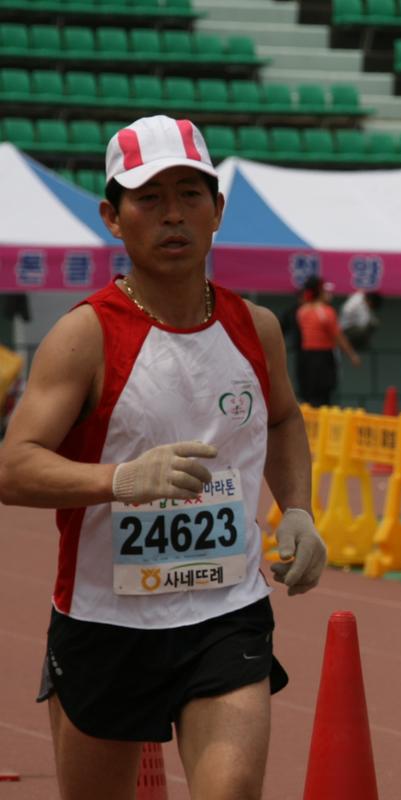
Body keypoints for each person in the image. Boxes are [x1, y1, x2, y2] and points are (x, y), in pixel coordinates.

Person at [0, 115, 327, 800]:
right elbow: (14, 466)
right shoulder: (83, 336)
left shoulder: (255, 327)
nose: (173, 215)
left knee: (230, 790)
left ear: (218, 211)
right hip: (106, 619)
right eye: (149, 198)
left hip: (225, 610)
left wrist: (297, 508)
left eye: (190, 194)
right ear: (112, 218)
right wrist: (120, 480)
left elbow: (285, 417)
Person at [296, 275, 360, 407]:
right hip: (322, 357)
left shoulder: (302, 311)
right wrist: (352, 355)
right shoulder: (326, 312)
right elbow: (338, 337)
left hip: (305, 357)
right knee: (323, 396)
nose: (329, 294)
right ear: (320, 292)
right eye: (326, 291)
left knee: (309, 395)